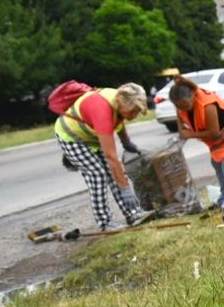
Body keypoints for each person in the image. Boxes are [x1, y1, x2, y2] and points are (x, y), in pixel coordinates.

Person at [53, 83, 152, 230]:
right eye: (133, 111)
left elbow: (119, 120)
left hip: (91, 136)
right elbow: (111, 157)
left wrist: (126, 141)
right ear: (121, 103)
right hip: (71, 137)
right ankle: (105, 222)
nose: (134, 115)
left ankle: (133, 214)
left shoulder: (120, 97)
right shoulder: (102, 110)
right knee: (97, 174)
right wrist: (126, 190)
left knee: (115, 174)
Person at [168, 75, 224, 212]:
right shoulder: (181, 104)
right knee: (218, 165)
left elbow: (214, 133)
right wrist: (182, 132)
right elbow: (182, 126)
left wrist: (190, 134)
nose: (183, 109)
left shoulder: (207, 105)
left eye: (186, 106)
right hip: (217, 142)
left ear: (193, 96)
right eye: (179, 107)